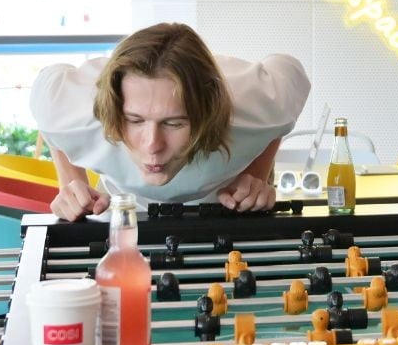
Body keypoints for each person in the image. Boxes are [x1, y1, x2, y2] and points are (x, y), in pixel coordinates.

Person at [32, 23, 310, 221]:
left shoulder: (255, 104)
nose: (152, 146)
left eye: (174, 123)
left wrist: (256, 174)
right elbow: (48, 104)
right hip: (121, 202)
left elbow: (289, 75)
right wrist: (71, 184)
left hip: (223, 201)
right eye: (135, 120)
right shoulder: (73, 108)